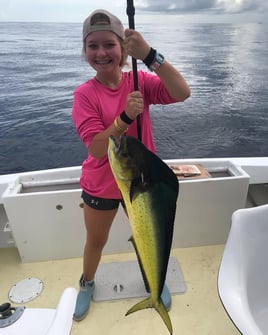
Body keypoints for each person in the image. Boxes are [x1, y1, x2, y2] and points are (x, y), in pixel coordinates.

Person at [72, 9, 191, 321]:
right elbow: (97, 148)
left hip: (143, 183)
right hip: (103, 182)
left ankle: (155, 283)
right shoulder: (85, 95)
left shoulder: (140, 80)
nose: (101, 53)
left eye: (109, 44)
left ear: (123, 49)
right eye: (92, 46)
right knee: (96, 242)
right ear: (85, 51)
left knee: (147, 237)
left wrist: (151, 55)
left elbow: (182, 93)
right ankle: (86, 283)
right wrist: (124, 118)